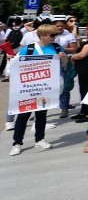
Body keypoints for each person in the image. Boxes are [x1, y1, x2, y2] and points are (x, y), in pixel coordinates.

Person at [9, 24, 64, 156]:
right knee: (23, 115)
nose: (54, 37)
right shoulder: (29, 49)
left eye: (56, 35)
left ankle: (40, 139)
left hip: (45, 87)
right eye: (52, 35)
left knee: (41, 114)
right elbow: (17, 66)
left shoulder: (56, 47)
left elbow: (64, 64)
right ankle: (17, 143)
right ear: (42, 35)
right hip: (29, 87)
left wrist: (64, 57)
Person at [54, 16, 78, 119]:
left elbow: (73, 49)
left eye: (61, 26)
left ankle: (64, 107)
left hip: (64, 63)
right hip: (50, 63)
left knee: (64, 85)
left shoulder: (68, 35)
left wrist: (60, 48)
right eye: (57, 26)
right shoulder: (49, 35)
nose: (59, 28)